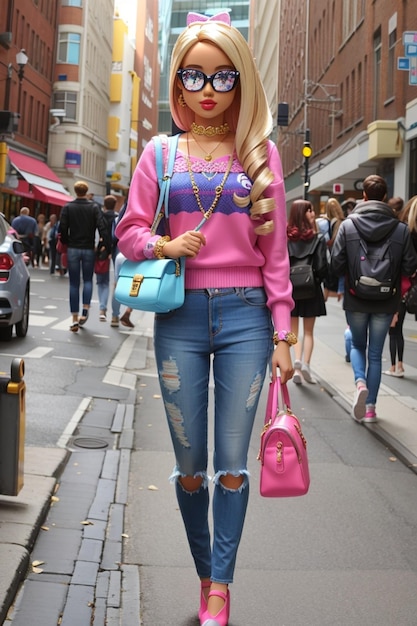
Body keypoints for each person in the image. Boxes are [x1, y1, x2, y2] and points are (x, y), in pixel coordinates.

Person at [115, 11, 294, 626]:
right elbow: (129, 230)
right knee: (191, 470)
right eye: (195, 75)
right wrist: (165, 247)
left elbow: (276, 255)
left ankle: (220, 586)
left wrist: (283, 332)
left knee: (233, 468)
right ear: (180, 83)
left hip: (247, 317)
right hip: (180, 316)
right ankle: (203, 571)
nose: (209, 88)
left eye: (222, 76)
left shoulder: (260, 153)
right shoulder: (160, 152)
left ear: (240, 82)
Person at [331, 175, 417, 423]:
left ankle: (360, 383)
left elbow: (335, 265)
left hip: (356, 297)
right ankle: (370, 409)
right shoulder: (400, 229)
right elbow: (411, 265)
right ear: (385, 196)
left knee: (358, 345)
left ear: (364, 196)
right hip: (386, 299)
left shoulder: (348, 226)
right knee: (376, 354)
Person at [58, 181, 109, 332]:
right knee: (88, 280)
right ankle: (85, 311)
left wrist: (67, 242)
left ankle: (74, 318)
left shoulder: (68, 207)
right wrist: (102, 246)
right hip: (88, 248)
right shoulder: (94, 207)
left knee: (74, 283)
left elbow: (62, 228)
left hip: (73, 248)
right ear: (86, 192)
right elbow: (102, 227)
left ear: (75, 191)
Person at [287, 199, 328, 384]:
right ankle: (306, 365)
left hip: (291, 288)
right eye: (310, 211)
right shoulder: (318, 239)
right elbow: (321, 267)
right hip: (311, 288)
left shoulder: (286, 239)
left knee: (294, 330)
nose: (313, 214)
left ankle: (297, 365)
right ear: (303, 213)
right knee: (309, 332)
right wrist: (318, 280)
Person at [384, 194, 417, 376]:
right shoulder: (406, 232)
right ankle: (401, 365)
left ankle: (393, 366)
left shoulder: (401, 232)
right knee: (400, 331)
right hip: (407, 291)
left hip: (397, 291)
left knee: (393, 331)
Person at [96, 195, 118, 322]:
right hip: (116, 249)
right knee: (117, 283)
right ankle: (115, 315)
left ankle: (102, 309)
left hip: (103, 250)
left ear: (104, 204)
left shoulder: (100, 217)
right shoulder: (118, 218)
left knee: (102, 282)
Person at [323, 197, 345, 300]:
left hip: (332, 251)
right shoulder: (341, 221)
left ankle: (328, 292)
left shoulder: (330, 221)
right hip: (340, 251)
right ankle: (340, 290)